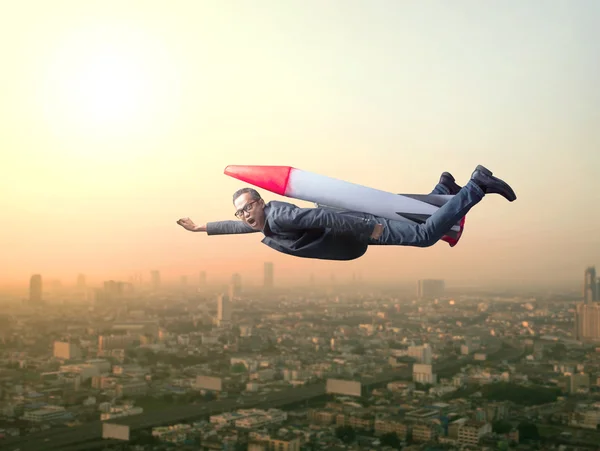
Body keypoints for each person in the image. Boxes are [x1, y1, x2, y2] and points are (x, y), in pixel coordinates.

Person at [177, 165, 516, 261]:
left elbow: (323, 220)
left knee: (424, 236)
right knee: (401, 208)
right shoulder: (266, 222)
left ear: (261, 202)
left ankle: (476, 187)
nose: (246, 216)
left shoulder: (282, 218)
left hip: (357, 227)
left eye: (248, 207)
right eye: (241, 213)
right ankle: (443, 189)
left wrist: (370, 229)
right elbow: (238, 228)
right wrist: (199, 228)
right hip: (354, 226)